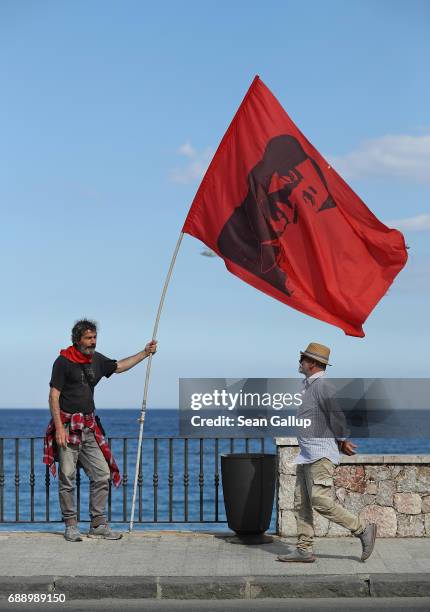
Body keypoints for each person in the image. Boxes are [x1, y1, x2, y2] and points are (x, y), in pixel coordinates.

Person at [43, 319, 157, 542]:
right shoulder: (63, 362)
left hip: (89, 427)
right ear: (77, 340)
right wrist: (58, 429)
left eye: (94, 338)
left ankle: (97, 524)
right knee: (67, 476)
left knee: (102, 474)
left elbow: (119, 366)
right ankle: (71, 526)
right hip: (68, 428)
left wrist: (145, 353)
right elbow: (53, 396)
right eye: (88, 338)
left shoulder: (96, 360)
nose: (92, 342)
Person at [277, 342, 377, 563]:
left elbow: (336, 415)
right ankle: (303, 549)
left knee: (319, 500)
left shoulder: (322, 386)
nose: (299, 362)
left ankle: (362, 530)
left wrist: (342, 440)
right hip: (308, 454)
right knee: (301, 502)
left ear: (312, 363)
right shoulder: (309, 386)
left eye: (302, 359)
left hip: (321, 455)